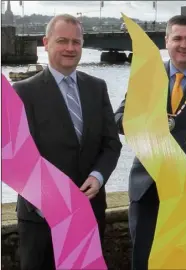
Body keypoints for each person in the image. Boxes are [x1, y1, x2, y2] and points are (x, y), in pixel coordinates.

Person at [114, 15, 186, 270]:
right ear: (166, 41)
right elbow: (118, 118)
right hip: (148, 189)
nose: (183, 44)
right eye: (177, 38)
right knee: (145, 261)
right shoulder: (147, 78)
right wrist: (141, 123)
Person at [12, 14, 122, 270]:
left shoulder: (97, 87)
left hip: (89, 211)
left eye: (76, 42)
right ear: (46, 42)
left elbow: (111, 144)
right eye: (62, 41)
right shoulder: (22, 92)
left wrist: (98, 176)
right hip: (41, 219)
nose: (70, 48)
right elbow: (15, 157)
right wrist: (49, 202)